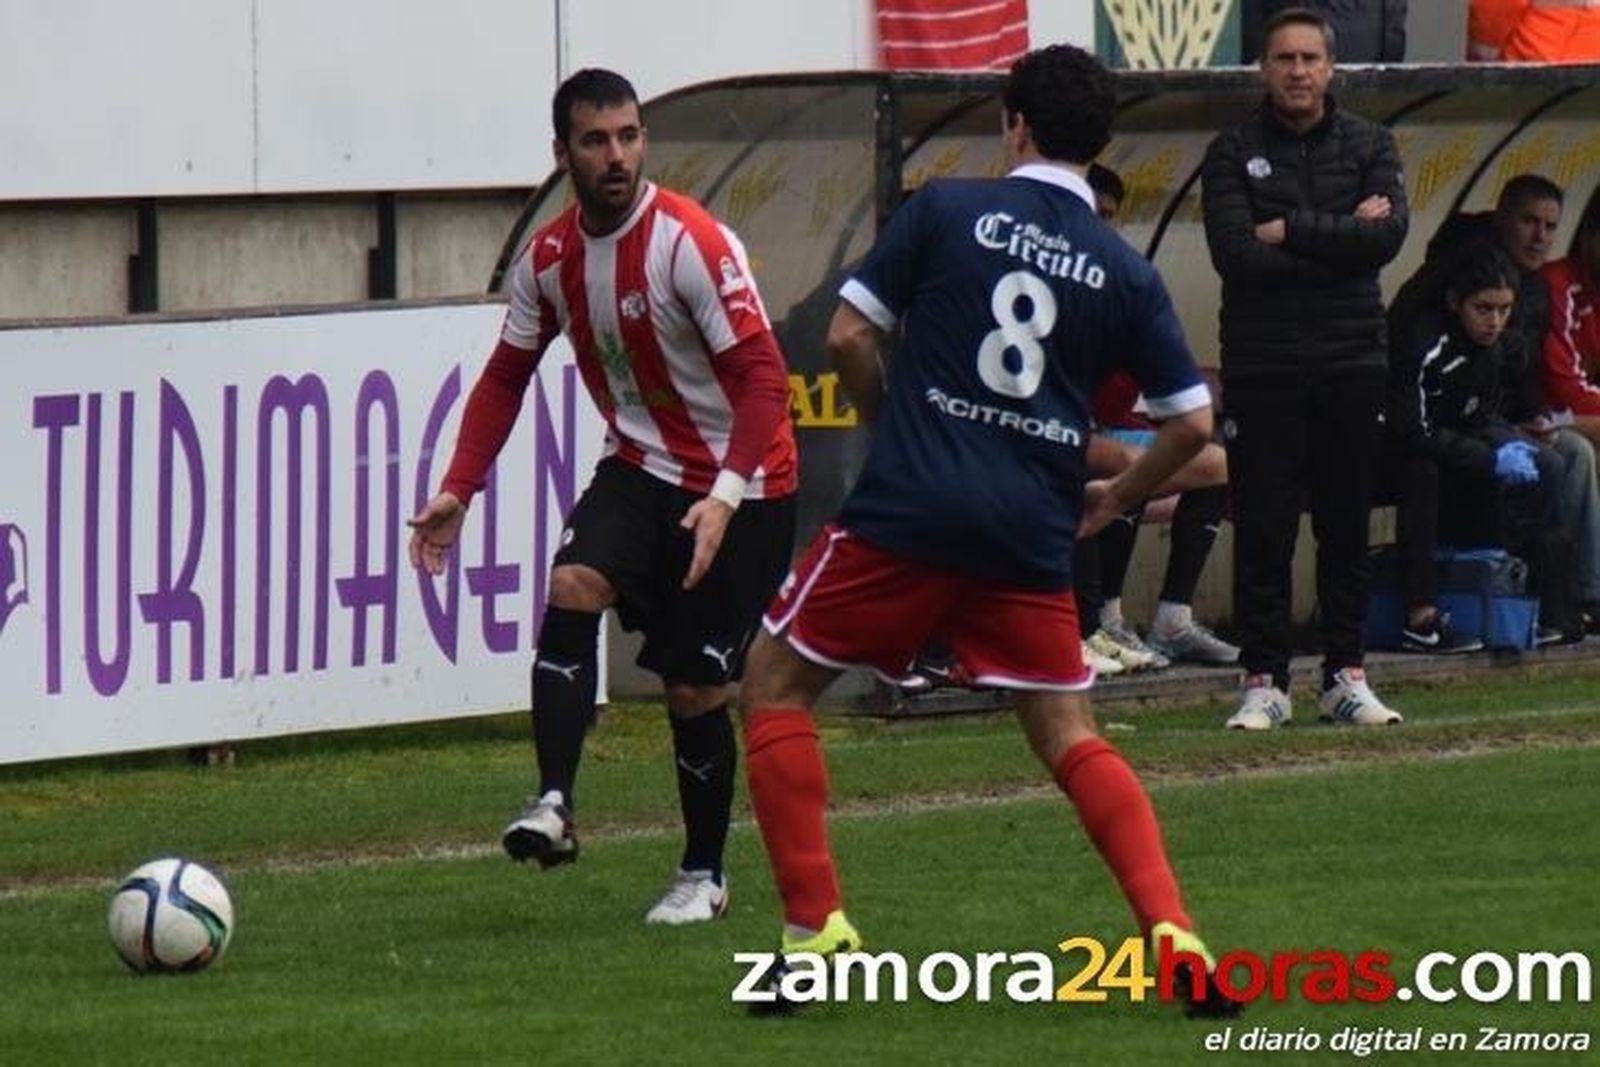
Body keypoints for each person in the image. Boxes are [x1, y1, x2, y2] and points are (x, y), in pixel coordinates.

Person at [738, 44, 1237, 1016]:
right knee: (1066, 732)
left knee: (772, 682)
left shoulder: (945, 208)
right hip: (1026, 530)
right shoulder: (1119, 268)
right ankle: (1171, 930)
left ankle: (814, 930)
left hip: (911, 508)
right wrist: (1116, 495)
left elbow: (846, 335)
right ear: (1100, 143)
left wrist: (893, 423)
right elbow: (1190, 426)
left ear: (1013, 123)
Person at [407, 68, 798, 925]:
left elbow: (764, 381)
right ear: (562, 153)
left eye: (628, 136)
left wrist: (728, 495)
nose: (616, 155)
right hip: (642, 465)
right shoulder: (547, 259)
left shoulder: (691, 243)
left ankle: (705, 873)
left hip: (748, 484)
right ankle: (553, 803)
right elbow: (506, 375)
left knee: (694, 689)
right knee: (570, 584)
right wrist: (457, 488)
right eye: (595, 140)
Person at [1201, 7, 1408, 730]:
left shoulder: (1371, 143)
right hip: (1264, 366)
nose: (1296, 71)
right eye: (1284, 59)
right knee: (1265, 527)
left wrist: (1289, 228)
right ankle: (1264, 679)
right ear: (1264, 67)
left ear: (1330, 68)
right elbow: (1235, 254)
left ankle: (1344, 675)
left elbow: (1385, 238)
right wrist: (1340, 236)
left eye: (1309, 59)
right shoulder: (1231, 151)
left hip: (1353, 361)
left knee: (1346, 524)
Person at [1393, 175, 1600, 625]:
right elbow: (1420, 412)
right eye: (1530, 221)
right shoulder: (1451, 283)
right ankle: (1539, 595)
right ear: (1502, 217)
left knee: (1560, 454)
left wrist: (1531, 418)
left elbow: (1520, 376)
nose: (1540, 236)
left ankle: (1565, 599)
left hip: (1496, 418)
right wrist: (1495, 445)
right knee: (1564, 454)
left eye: (1550, 226)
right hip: (1445, 426)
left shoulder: (1534, 291)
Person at [1077, 163, 1241, 671]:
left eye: (1109, 216)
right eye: (1091, 213)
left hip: (1119, 429)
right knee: (1131, 464)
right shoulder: (1052, 273)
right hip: (1067, 438)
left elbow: (1155, 372)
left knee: (1218, 462)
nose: (1101, 226)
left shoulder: (1123, 275)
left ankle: (1170, 618)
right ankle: (1098, 619)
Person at [1387, 242, 1572, 649]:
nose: (1494, 321)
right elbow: (1411, 430)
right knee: (1423, 472)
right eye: (1484, 309)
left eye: (1504, 310)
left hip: (1458, 438)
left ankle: (1540, 605)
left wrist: (1520, 433)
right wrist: (1489, 457)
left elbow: (1480, 414)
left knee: (1550, 465)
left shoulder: (1496, 347)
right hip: (1392, 449)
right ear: (1456, 302)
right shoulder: (1424, 344)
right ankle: (1422, 616)